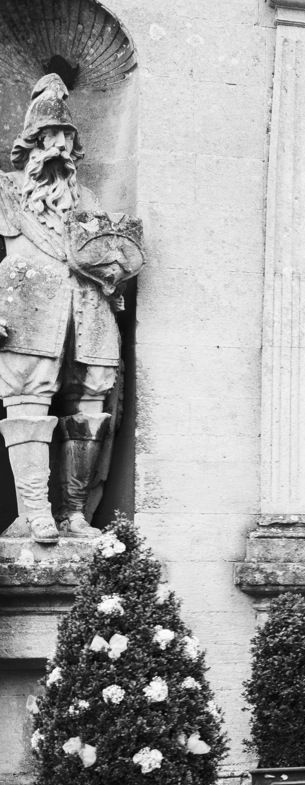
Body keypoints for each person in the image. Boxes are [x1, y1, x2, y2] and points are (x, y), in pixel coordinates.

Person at [0, 74, 144, 543]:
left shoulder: (86, 200)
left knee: (91, 399)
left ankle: (75, 513)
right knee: (27, 399)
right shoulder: (4, 191)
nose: (58, 148)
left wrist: (115, 271)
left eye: (65, 140)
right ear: (30, 143)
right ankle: (36, 511)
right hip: (26, 313)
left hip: (89, 313)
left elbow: (107, 255)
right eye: (48, 138)